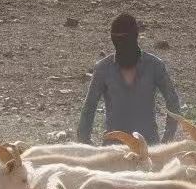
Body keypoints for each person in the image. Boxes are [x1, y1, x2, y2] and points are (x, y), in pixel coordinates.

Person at [77, 12, 182, 145]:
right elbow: (89, 106)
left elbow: (173, 102)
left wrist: (167, 141)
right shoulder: (103, 68)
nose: (122, 45)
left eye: (125, 39)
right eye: (117, 40)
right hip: (113, 149)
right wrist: (86, 143)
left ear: (135, 37)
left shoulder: (154, 66)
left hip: (148, 147)